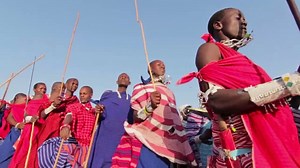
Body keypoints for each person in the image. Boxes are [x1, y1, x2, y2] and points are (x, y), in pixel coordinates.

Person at [177, 8, 300, 167]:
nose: (245, 22)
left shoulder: (246, 62)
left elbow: (274, 102)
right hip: (242, 155)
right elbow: (216, 100)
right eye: (238, 17)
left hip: (269, 145)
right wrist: (288, 84)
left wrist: (293, 83)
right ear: (218, 25)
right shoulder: (210, 48)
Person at [112, 60, 196, 168]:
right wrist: (150, 106)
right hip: (146, 140)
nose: (162, 66)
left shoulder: (169, 92)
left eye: (164, 65)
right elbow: (136, 117)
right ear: (150, 69)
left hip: (166, 144)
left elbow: (175, 121)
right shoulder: (141, 88)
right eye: (159, 64)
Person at [38, 86, 104, 168]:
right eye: (80, 94)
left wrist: (99, 112)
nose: (82, 95)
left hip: (87, 146)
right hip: (74, 142)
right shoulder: (74, 107)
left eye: (84, 94)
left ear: (91, 95)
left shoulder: (94, 111)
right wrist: (65, 126)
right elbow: (69, 116)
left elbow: (99, 121)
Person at [88, 73, 132, 168]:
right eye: (121, 76)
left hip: (122, 138)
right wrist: (98, 111)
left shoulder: (132, 100)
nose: (123, 77)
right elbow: (100, 112)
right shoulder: (108, 95)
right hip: (105, 137)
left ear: (129, 83)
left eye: (126, 77)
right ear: (117, 81)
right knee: (99, 162)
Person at [9, 82, 49, 168]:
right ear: (35, 89)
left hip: (40, 129)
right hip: (27, 130)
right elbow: (24, 115)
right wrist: (23, 122)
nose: (43, 90)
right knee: (23, 151)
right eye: (41, 88)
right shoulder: (29, 102)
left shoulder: (47, 101)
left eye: (44, 89)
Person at [0, 93, 27, 167]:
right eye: (25, 99)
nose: (26, 101)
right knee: (5, 154)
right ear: (16, 99)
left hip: (26, 134)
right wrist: (18, 124)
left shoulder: (27, 107)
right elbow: (9, 118)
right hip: (15, 134)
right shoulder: (13, 108)